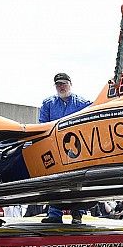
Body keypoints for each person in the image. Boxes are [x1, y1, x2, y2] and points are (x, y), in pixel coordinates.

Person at [39, 72, 91, 224]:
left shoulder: (83, 103)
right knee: (53, 181)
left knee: (77, 182)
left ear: (70, 84)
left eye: (63, 83)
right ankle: (54, 214)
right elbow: (42, 126)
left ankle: (77, 214)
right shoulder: (48, 104)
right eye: (58, 84)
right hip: (55, 150)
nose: (61, 86)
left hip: (78, 150)